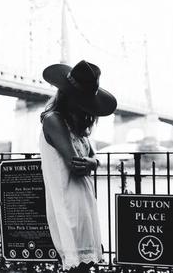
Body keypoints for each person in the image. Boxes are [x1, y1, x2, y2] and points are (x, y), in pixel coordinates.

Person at [39, 60, 117, 272]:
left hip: (84, 199)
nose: (85, 106)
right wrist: (92, 163)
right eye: (81, 100)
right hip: (67, 201)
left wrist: (93, 162)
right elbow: (76, 164)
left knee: (88, 263)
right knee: (77, 265)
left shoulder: (74, 123)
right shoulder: (53, 120)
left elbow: (92, 157)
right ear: (67, 95)